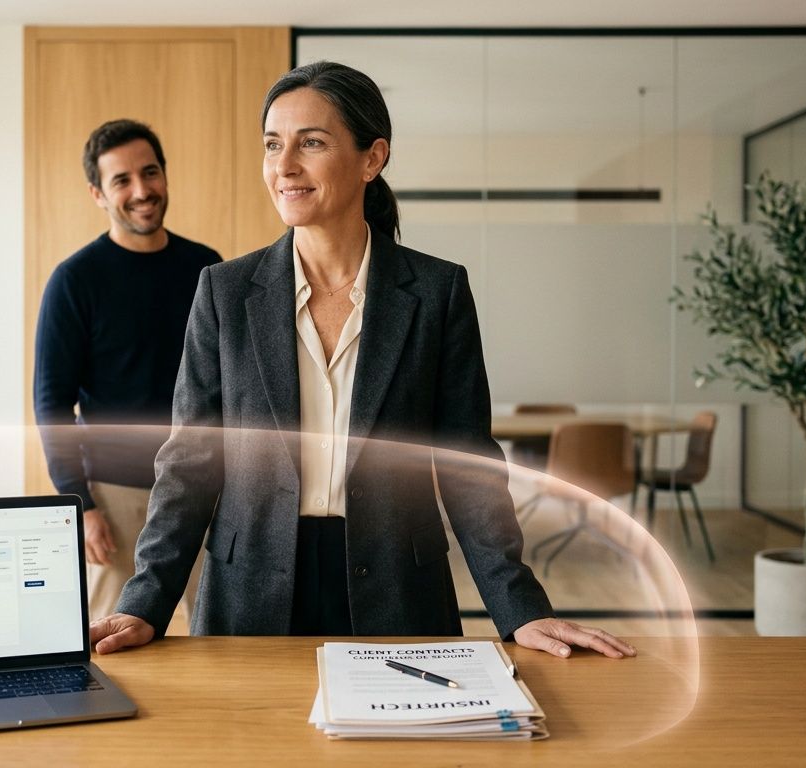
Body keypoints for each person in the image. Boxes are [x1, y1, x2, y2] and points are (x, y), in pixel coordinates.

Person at [91, 63, 635, 659]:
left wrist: (520, 609)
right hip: (250, 593)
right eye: (273, 145)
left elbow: (466, 464)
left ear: (372, 158)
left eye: (312, 143)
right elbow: (191, 462)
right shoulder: (224, 291)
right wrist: (144, 601)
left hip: (398, 588)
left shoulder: (436, 292)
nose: (284, 166)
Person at [34, 119, 220, 621]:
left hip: (202, 489)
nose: (142, 191)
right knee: (114, 644)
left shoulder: (207, 270)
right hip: (115, 499)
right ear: (98, 193)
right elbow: (51, 404)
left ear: (164, 175)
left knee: (220, 639)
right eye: (121, 181)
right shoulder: (75, 281)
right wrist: (81, 506)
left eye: (150, 172)